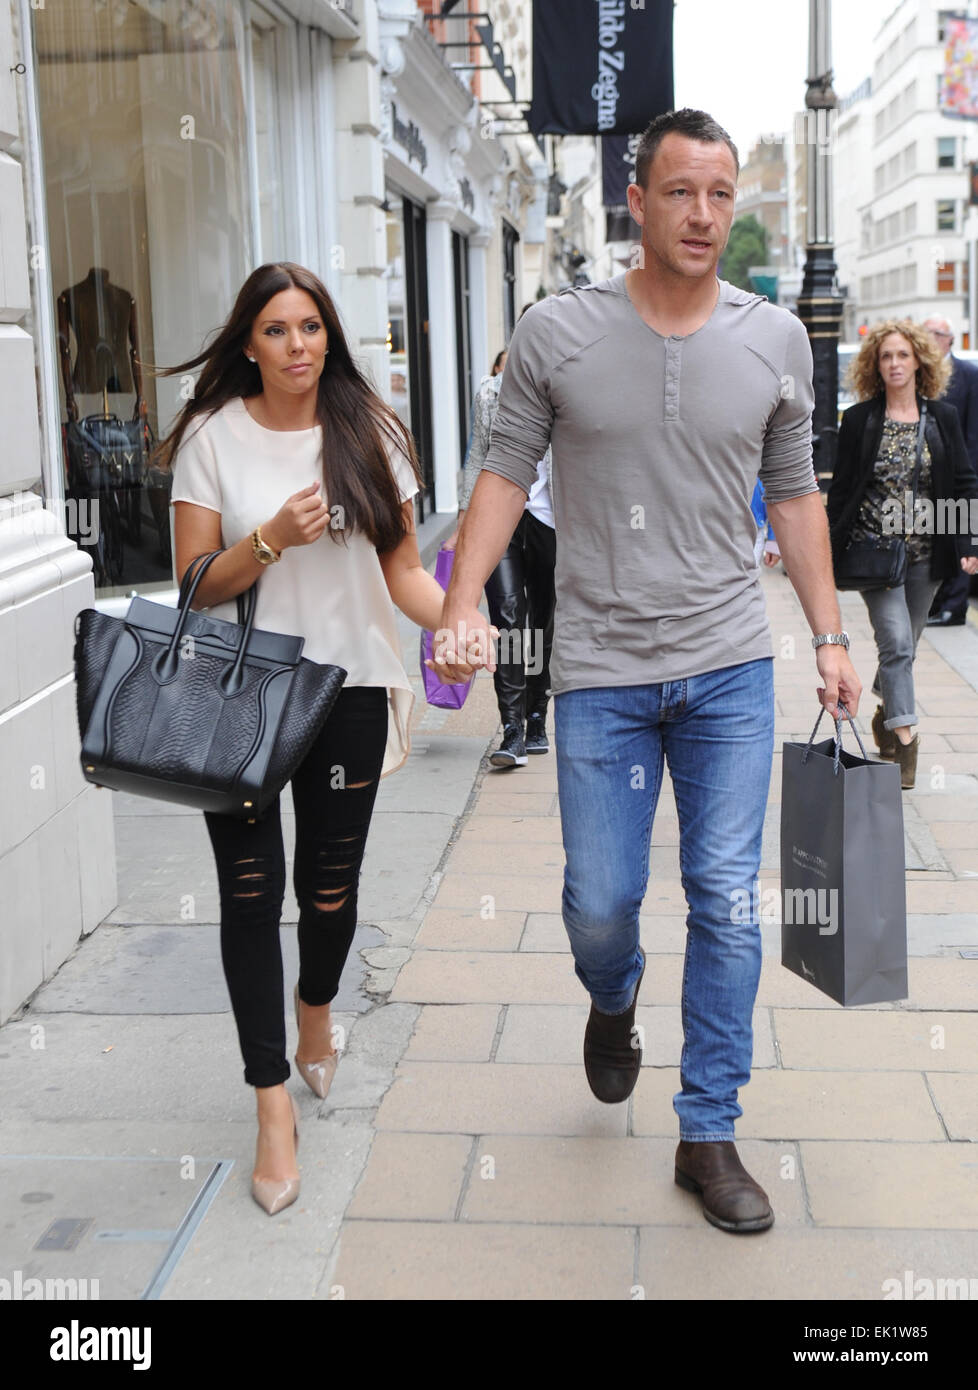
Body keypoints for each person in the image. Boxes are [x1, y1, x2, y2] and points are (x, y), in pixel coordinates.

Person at [428, 108, 861, 1234]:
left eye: (722, 194)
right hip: (604, 675)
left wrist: (826, 634)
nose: (705, 215)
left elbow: (800, 494)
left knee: (725, 900)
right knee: (601, 902)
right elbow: (502, 472)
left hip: (728, 667)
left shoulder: (773, 340)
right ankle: (612, 998)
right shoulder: (557, 333)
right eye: (682, 192)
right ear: (638, 200)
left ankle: (708, 1129)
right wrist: (464, 597)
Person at [159, 262, 447, 1215]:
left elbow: (404, 573)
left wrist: (456, 621)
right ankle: (270, 1102)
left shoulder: (370, 431)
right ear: (248, 341)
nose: (297, 346)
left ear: (331, 337)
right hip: (238, 695)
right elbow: (195, 586)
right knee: (249, 899)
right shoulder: (212, 438)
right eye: (277, 330)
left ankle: (315, 1007)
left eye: (311, 327)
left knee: (327, 893)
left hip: (349, 689)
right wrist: (273, 538)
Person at [828, 319, 978, 788]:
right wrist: (827, 546)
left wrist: (969, 542)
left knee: (904, 650)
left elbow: (965, 482)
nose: (894, 363)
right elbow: (844, 490)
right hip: (874, 554)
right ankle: (906, 741)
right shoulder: (859, 420)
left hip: (926, 555)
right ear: (876, 365)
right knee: (895, 642)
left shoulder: (943, 418)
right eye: (886, 356)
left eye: (902, 355)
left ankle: (884, 715)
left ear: (919, 362)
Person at [446, 331, 557, 768]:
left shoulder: (567, 391)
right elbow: (478, 457)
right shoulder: (491, 393)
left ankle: (536, 716)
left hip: (551, 520)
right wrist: (464, 520)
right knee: (508, 617)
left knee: (541, 623)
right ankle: (511, 728)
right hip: (499, 520)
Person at [922, 316, 978, 626]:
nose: (929, 338)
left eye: (935, 334)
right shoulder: (920, 374)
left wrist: (967, 470)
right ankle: (936, 603)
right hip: (928, 475)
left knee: (961, 538)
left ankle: (954, 608)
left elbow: (973, 429)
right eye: (924, 333)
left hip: (959, 471)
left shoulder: (968, 374)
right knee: (936, 539)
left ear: (949, 340)